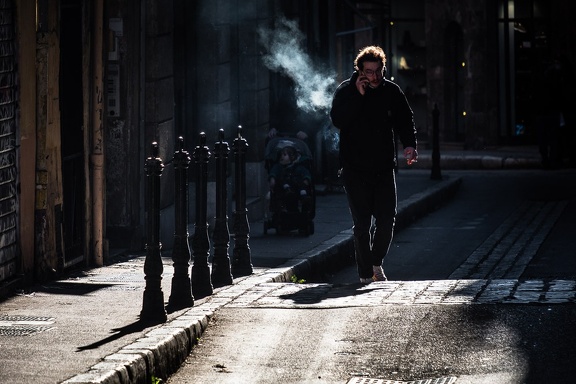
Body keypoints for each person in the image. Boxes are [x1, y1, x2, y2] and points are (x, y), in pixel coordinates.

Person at [330, 45, 418, 284]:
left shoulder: (392, 91)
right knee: (361, 224)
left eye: (379, 71)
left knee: (387, 219)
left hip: (383, 167)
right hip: (354, 168)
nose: (375, 76)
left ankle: (375, 261)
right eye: (369, 72)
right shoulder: (346, 91)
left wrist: (410, 145)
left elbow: (404, 119)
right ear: (360, 71)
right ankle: (365, 274)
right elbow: (339, 120)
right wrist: (358, 97)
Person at [268, 145, 312, 213]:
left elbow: (305, 173)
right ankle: (282, 205)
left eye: (284, 155)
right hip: (282, 189)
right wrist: (272, 179)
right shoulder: (278, 167)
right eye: (281, 155)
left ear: (292, 157)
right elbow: (273, 172)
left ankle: (303, 197)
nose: (282, 156)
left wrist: (306, 179)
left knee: (300, 182)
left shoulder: (298, 167)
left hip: (296, 188)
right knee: (281, 180)